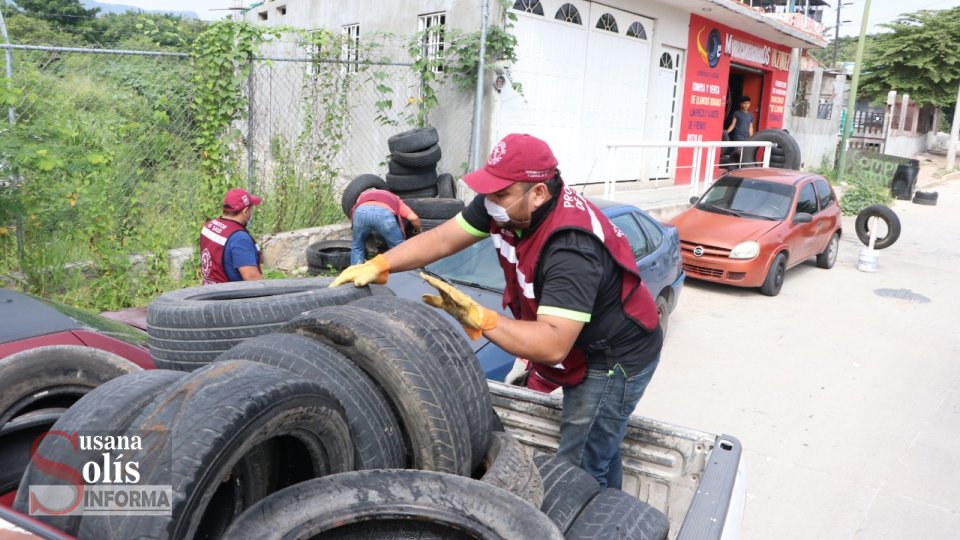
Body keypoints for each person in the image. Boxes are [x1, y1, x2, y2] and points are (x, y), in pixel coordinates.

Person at [330, 133, 664, 490]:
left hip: (613, 358)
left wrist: (482, 319)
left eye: (501, 194)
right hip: (582, 341)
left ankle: (591, 510)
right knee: (600, 447)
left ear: (539, 193)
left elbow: (553, 345)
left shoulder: (571, 247)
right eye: (488, 191)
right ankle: (612, 503)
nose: (490, 202)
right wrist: (381, 263)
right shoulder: (506, 205)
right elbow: (443, 238)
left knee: (579, 467)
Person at [199, 188, 263, 285]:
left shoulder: (209, 226)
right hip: (230, 293)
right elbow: (253, 280)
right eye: (251, 209)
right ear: (245, 211)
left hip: (208, 290)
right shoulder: (240, 239)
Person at [348, 189, 421, 265]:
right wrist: (418, 231)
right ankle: (401, 271)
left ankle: (356, 270)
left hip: (360, 212)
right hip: (384, 214)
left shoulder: (363, 195)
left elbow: (354, 211)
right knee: (398, 248)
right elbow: (414, 218)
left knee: (357, 247)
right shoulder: (395, 199)